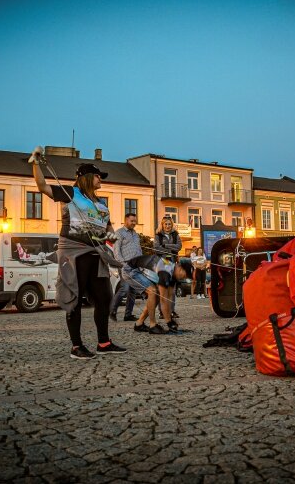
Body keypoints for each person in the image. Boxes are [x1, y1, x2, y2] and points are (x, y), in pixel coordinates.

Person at [31, 146, 126, 359]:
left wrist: (110, 235)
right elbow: (42, 186)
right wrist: (35, 162)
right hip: (75, 252)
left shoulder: (101, 203)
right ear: (87, 177)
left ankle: (104, 342)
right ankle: (76, 346)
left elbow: (107, 226)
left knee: (104, 298)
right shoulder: (71, 193)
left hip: (96, 254)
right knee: (74, 297)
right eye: (98, 176)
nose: (101, 180)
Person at [126, 255, 192, 334]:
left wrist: (169, 317)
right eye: (184, 275)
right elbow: (163, 300)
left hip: (140, 270)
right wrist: (169, 322)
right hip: (130, 270)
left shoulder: (173, 273)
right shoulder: (165, 272)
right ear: (180, 268)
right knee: (153, 292)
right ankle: (152, 325)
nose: (184, 278)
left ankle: (139, 324)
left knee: (156, 295)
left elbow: (169, 298)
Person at [110, 213, 142, 321]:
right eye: (132, 221)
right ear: (126, 220)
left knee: (132, 290)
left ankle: (128, 315)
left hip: (136, 266)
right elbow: (116, 251)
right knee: (124, 288)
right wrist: (123, 264)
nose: (134, 223)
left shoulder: (135, 234)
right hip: (125, 265)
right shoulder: (119, 233)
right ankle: (112, 311)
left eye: (135, 221)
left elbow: (139, 249)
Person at [155, 216, 182, 318]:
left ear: (172, 225)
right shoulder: (158, 235)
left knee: (172, 289)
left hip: (172, 262)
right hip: (162, 263)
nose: (167, 226)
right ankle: (162, 312)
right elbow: (157, 249)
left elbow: (179, 247)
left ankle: (171, 311)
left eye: (169, 224)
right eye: (165, 224)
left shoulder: (176, 234)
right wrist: (171, 247)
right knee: (162, 288)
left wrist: (165, 246)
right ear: (162, 225)